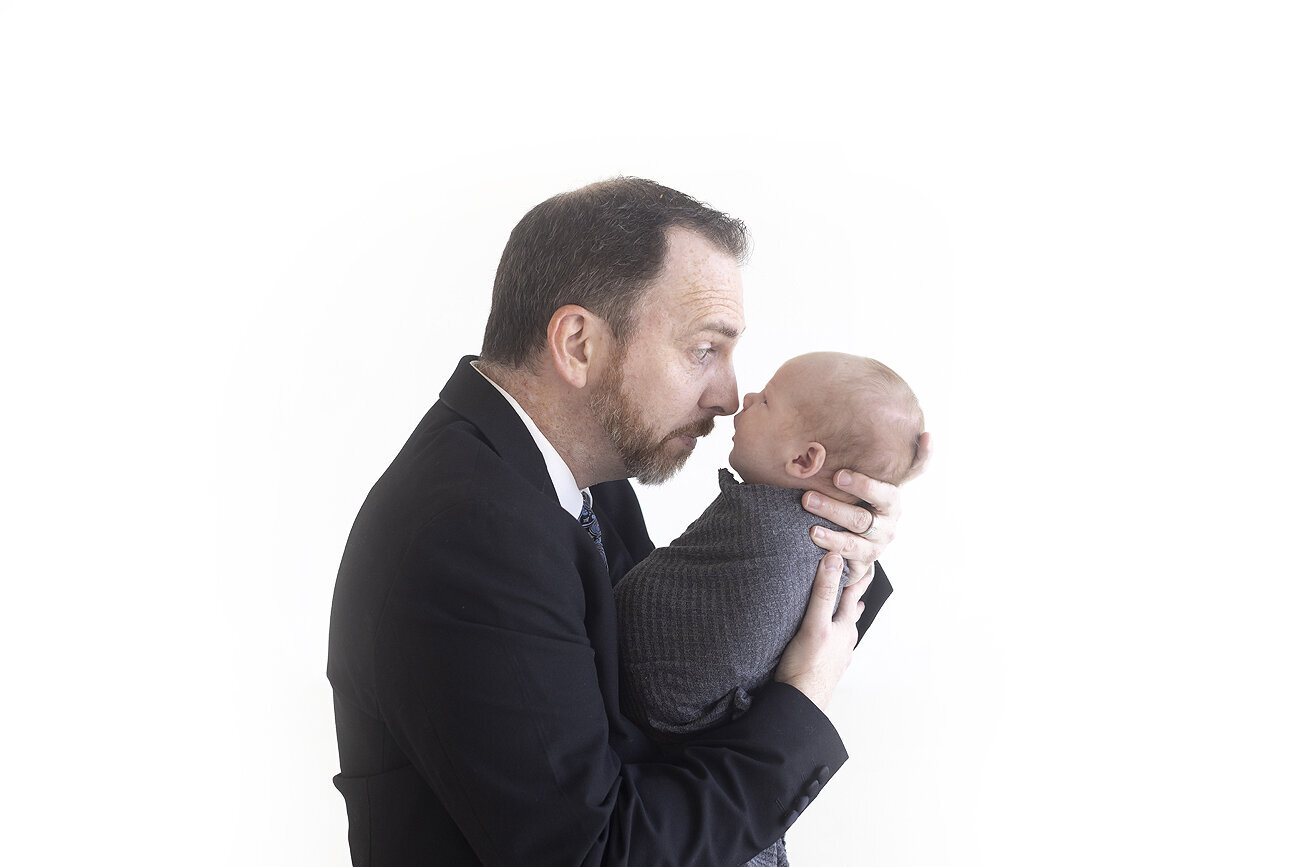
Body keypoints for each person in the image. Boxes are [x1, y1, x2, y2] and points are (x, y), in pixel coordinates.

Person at [327, 178, 929, 866]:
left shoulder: (582, 485)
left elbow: (682, 691)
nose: (731, 396)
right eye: (705, 349)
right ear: (578, 343)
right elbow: (600, 854)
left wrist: (828, 547)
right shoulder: (468, 531)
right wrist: (803, 701)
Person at [614, 352, 925, 867]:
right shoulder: (821, 547)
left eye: (766, 400)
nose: (743, 400)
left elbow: (646, 638)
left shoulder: (761, 531)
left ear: (805, 461)